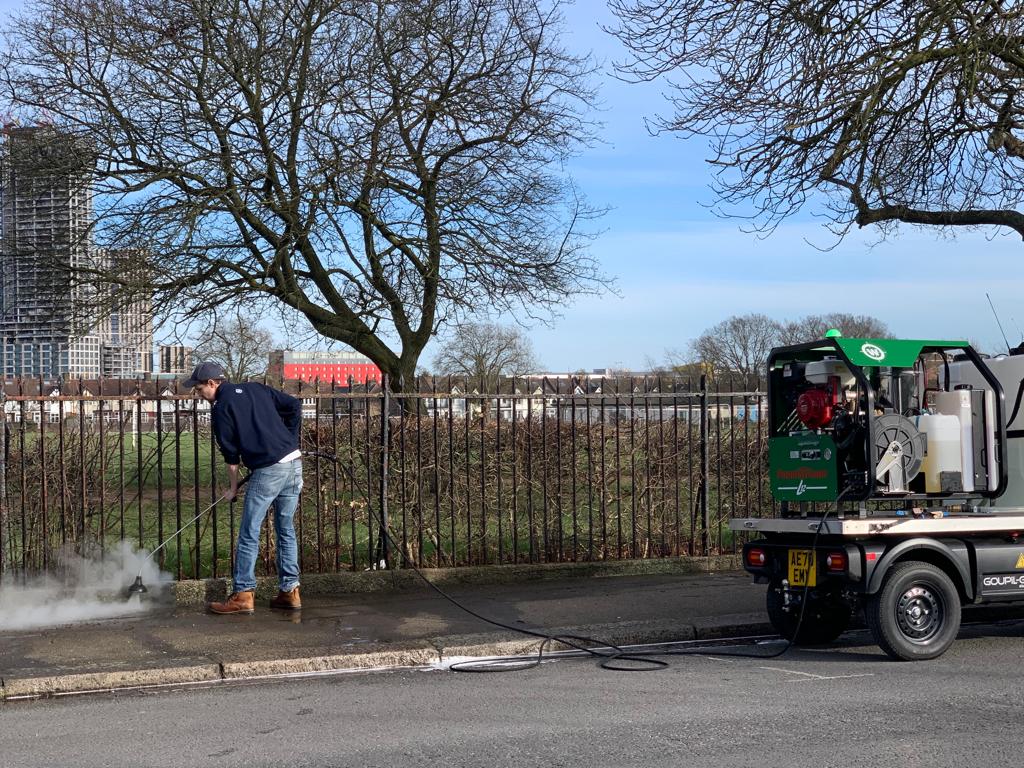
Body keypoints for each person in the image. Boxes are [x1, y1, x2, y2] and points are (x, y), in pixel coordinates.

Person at [184, 361, 304, 615]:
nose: (199, 394)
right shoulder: (257, 388)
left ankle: (243, 594)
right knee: (286, 529)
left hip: (269, 469)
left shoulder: (221, 408)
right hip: (294, 464)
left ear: (212, 383)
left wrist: (233, 488)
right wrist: (289, 441)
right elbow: (293, 405)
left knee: (249, 531)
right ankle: (290, 592)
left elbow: (231, 455)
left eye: (199, 389)